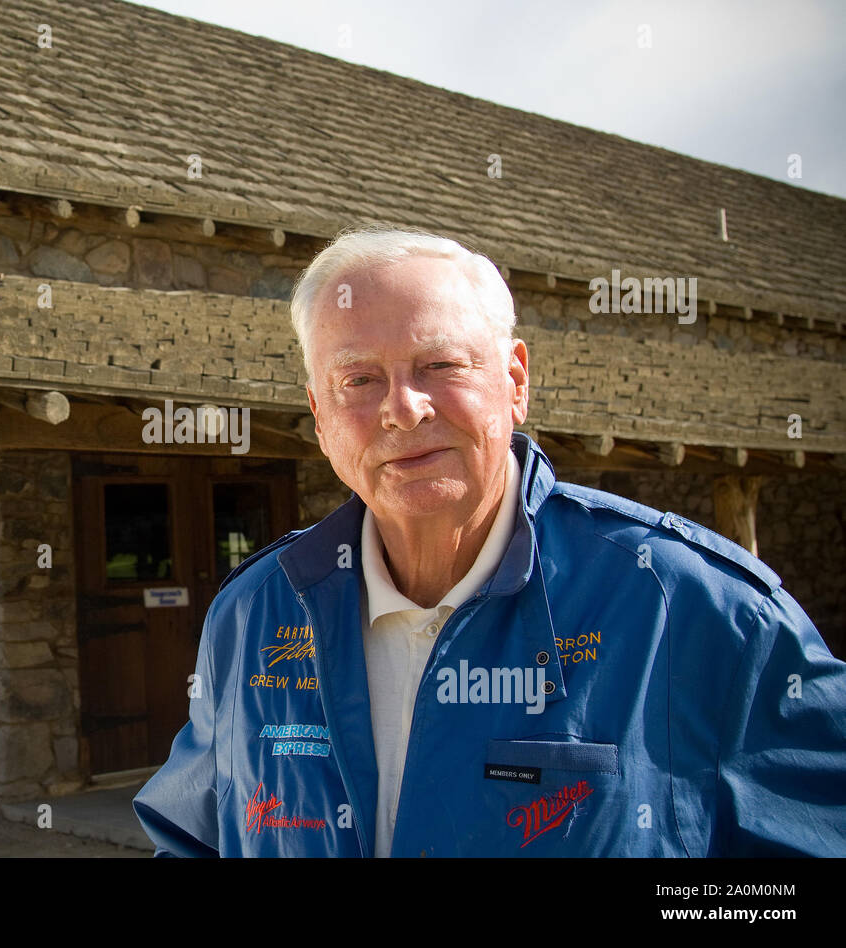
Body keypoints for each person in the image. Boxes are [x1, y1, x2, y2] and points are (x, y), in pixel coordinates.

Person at [132, 227, 846, 857]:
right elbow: (192, 841)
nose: (403, 409)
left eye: (440, 366)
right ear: (320, 415)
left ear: (514, 382)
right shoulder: (254, 615)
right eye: (360, 379)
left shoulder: (689, 607)